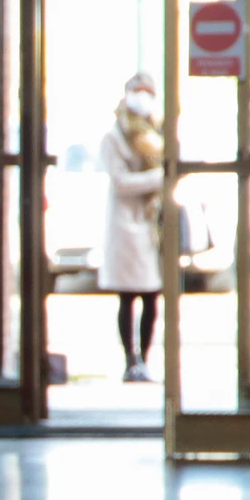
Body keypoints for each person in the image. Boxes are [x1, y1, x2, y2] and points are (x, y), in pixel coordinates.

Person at [102, 72, 165, 383]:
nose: (142, 97)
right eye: (137, 91)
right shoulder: (114, 136)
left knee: (152, 295)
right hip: (127, 225)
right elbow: (119, 182)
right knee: (128, 295)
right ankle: (131, 360)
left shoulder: (157, 132)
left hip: (151, 224)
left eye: (147, 91)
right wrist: (158, 179)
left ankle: (146, 359)